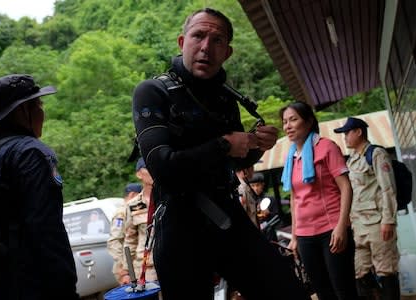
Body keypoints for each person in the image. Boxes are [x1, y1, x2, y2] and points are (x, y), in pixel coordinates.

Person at [132, 7, 308, 300]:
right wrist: (225, 144)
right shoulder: (152, 91)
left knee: (287, 290)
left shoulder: (225, 98)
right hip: (178, 224)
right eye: (198, 36)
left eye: (217, 41)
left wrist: (255, 145)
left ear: (227, 52)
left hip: (227, 213)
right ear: (181, 41)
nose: (205, 47)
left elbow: (237, 161)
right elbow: (162, 167)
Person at [0, 74, 78, 300]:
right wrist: (65, 284)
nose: (42, 112)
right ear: (22, 111)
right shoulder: (31, 153)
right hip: (32, 280)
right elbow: (45, 226)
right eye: (38, 104)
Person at [280, 101, 358, 300]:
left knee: (344, 291)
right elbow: (296, 199)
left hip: (331, 230)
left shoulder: (326, 147)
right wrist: (295, 237)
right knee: (323, 293)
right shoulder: (291, 157)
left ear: (308, 122)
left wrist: (341, 226)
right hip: (305, 236)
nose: (287, 126)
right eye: (284, 121)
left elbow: (346, 187)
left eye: (293, 120)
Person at [334, 117, 400, 300]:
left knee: (386, 271)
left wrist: (388, 220)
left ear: (358, 132)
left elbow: (388, 188)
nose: (345, 137)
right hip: (359, 227)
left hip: (378, 224)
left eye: (347, 133)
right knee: (360, 272)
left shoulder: (376, 154)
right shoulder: (352, 160)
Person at [107, 158, 156, 285]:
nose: (153, 171)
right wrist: (125, 271)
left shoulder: (169, 198)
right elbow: (128, 241)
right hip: (145, 269)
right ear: (139, 174)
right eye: (148, 168)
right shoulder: (132, 206)